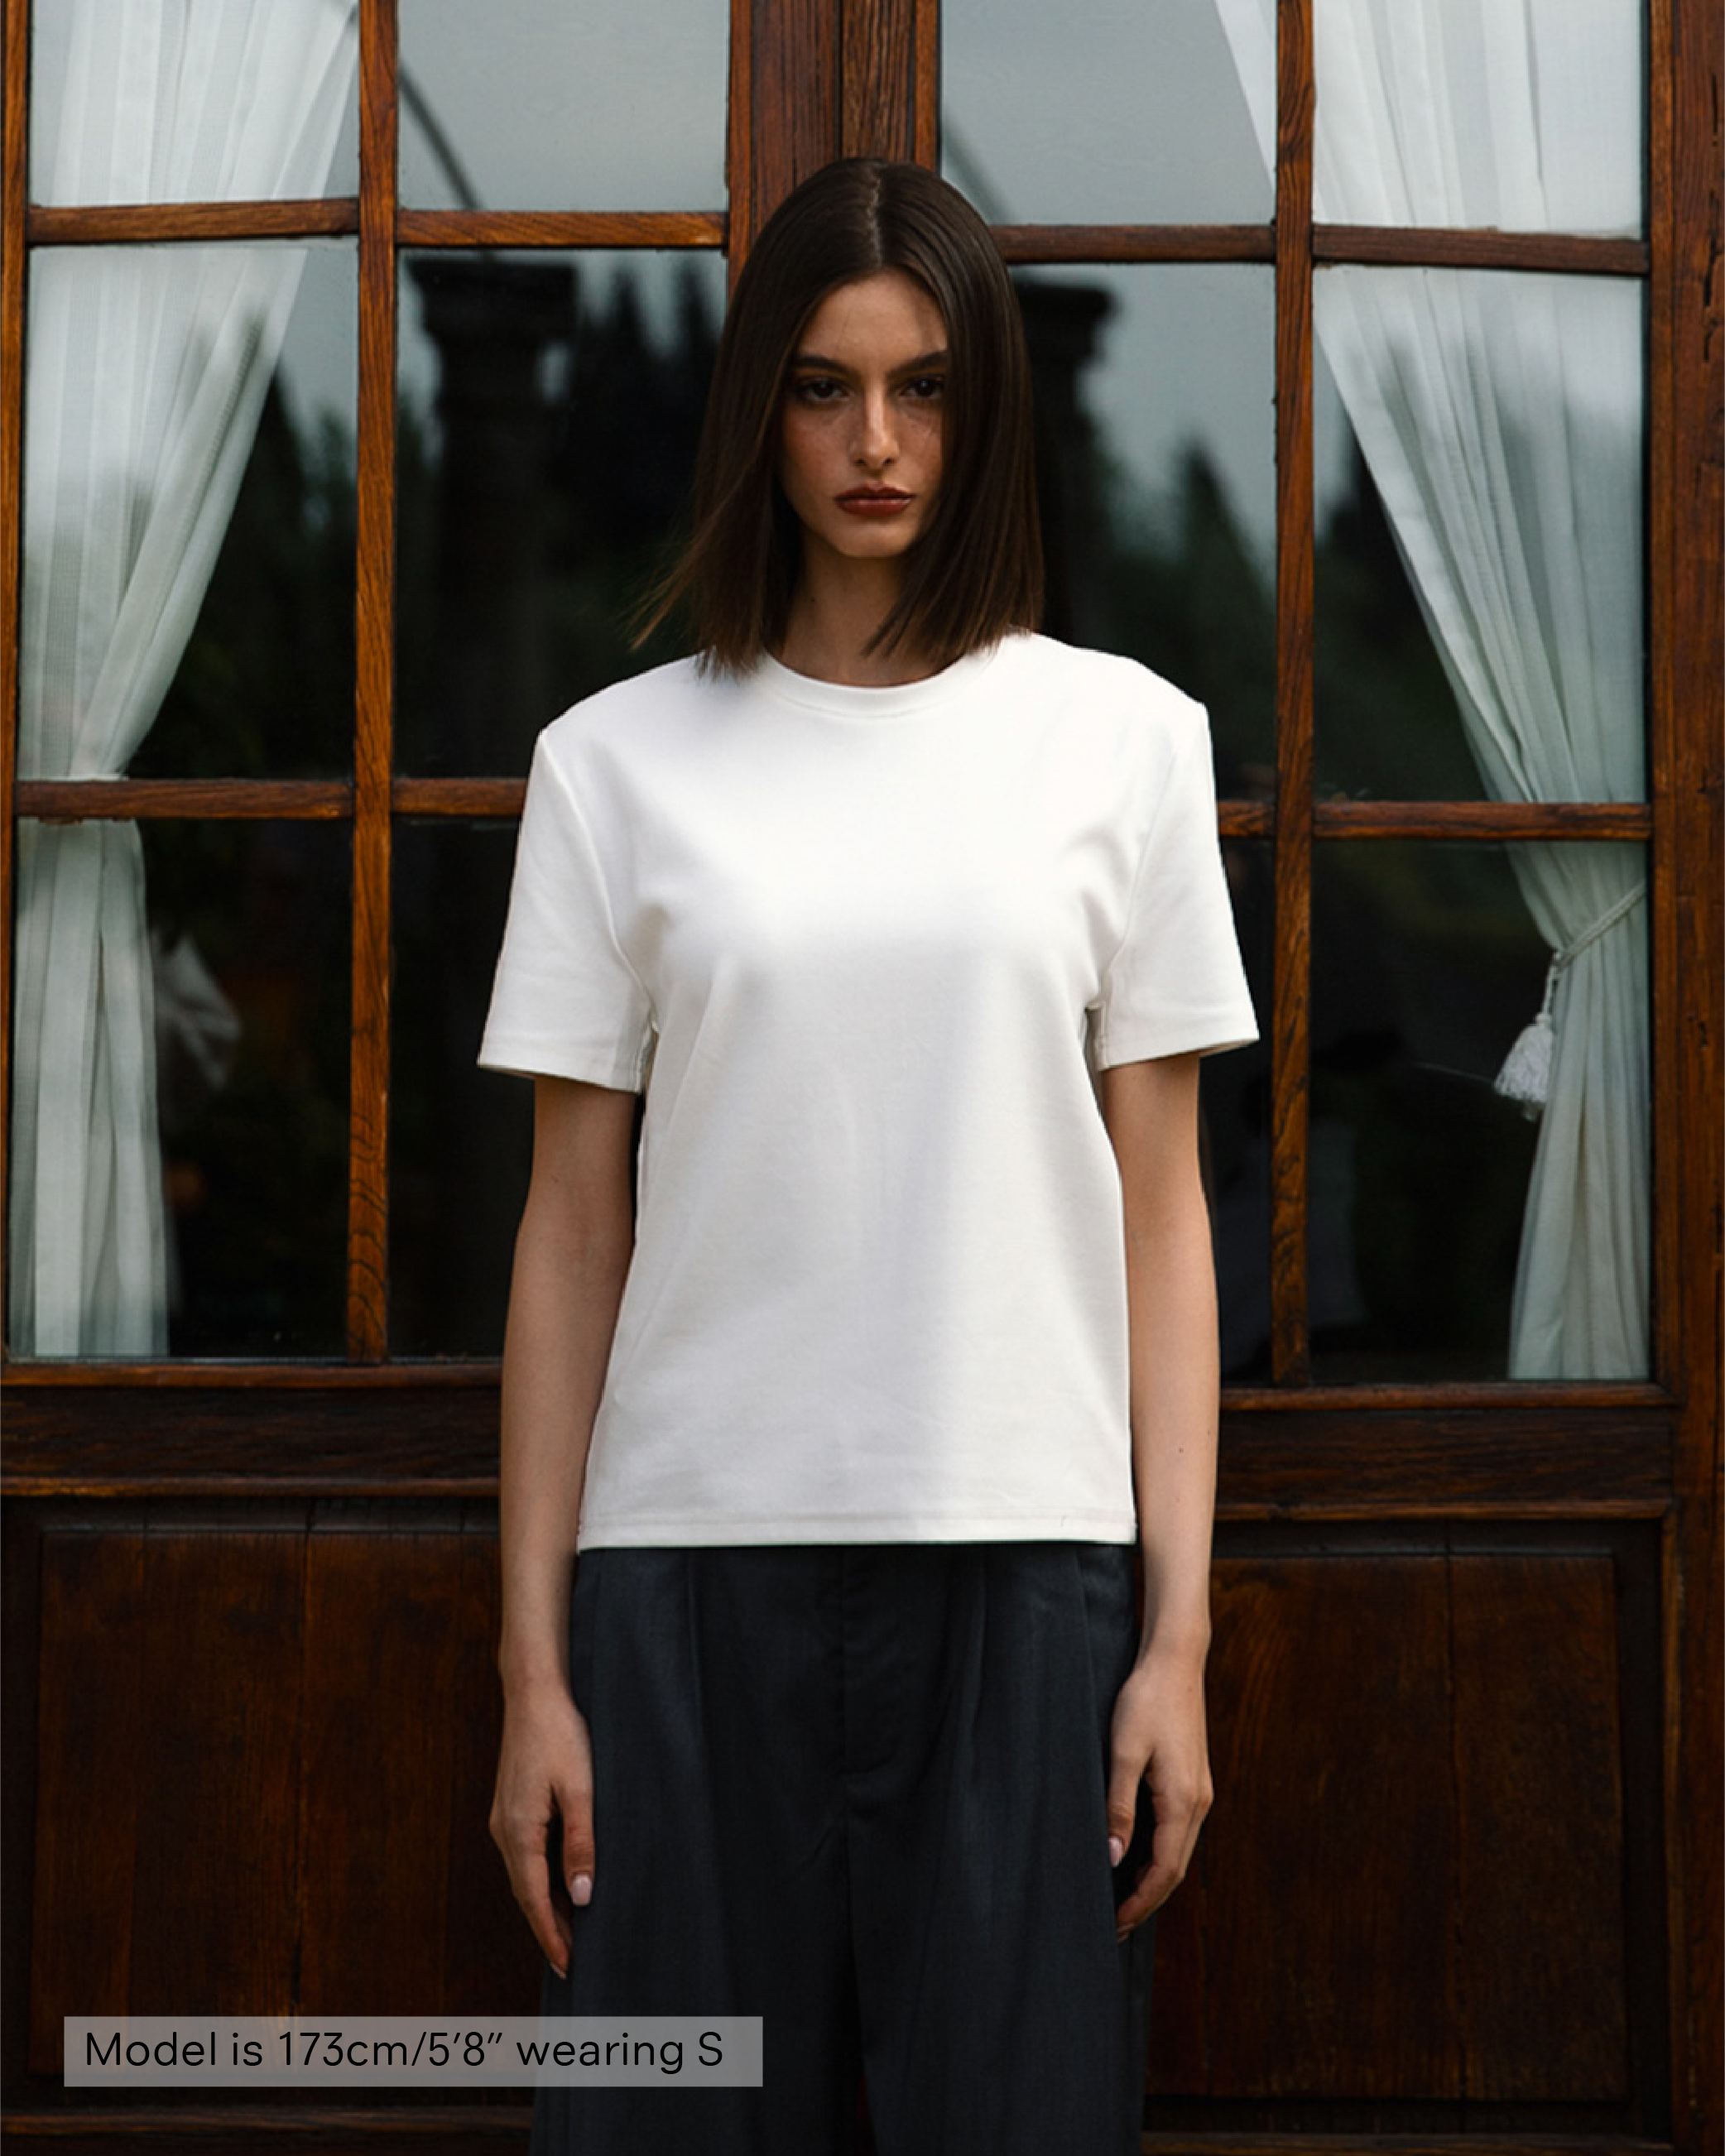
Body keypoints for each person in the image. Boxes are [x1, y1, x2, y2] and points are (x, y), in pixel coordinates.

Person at [479, 156, 1257, 2156]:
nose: (876, 443)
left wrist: (1174, 1640)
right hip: (680, 1575)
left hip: (1028, 1566)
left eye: (922, 388)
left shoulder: (1126, 743)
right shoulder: (610, 765)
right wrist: (533, 1670)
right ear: (760, 412)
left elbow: (1160, 1218)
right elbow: (570, 1232)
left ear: (983, 409)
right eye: (822, 389)